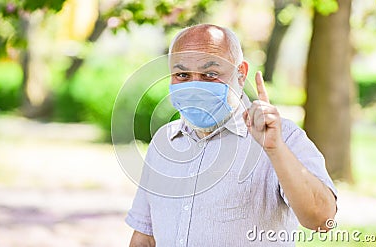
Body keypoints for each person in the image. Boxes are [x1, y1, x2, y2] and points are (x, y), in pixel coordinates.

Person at [125, 24, 337, 246]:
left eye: (210, 74)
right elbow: (145, 236)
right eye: (182, 75)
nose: (195, 86)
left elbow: (322, 220)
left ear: (241, 73)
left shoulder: (283, 137)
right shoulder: (163, 141)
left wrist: (276, 150)